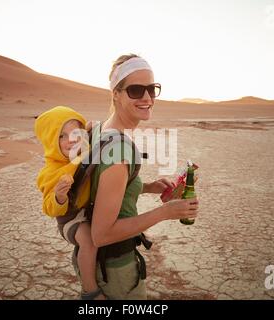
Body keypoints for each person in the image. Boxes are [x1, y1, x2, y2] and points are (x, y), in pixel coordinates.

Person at [74, 54, 199, 299]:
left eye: (152, 90)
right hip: (115, 271)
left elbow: (103, 186)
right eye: (135, 90)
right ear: (116, 94)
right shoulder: (119, 150)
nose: (147, 98)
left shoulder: (100, 130)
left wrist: (149, 187)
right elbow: (101, 234)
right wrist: (165, 212)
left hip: (103, 267)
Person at [35, 106, 106, 300]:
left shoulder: (85, 152)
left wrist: (89, 128)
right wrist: (59, 196)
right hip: (70, 219)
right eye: (61, 136)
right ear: (50, 141)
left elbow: (93, 130)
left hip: (88, 210)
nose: (71, 140)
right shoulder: (50, 173)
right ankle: (90, 291)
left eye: (75, 133)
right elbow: (48, 207)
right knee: (89, 241)